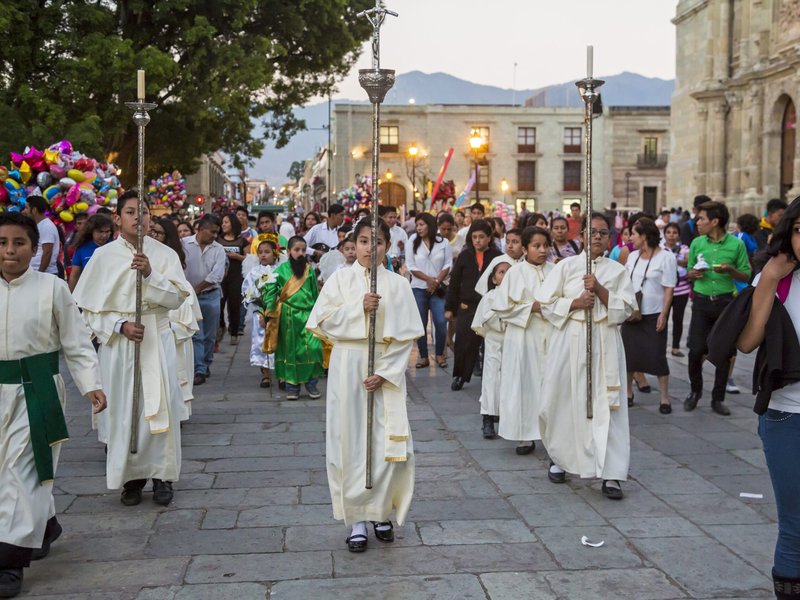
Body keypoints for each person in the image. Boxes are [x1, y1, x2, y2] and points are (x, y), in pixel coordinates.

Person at [0, 212, 106, 599]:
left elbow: (76, 341)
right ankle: (45, 524)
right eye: (1, 243)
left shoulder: (52, 288)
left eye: (19, 243)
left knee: (21, 471)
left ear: (35, 247)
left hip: (38, 390)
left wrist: (91, 384)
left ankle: (9, 560)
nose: (10, 251)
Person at [306, 216, 424, 553]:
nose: (370, 247)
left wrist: (385, 372)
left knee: (387, 443)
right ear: (353, 244)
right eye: (363, 240)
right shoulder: (339, 280)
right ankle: (356, 518)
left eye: (378, 241)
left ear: (387, 246)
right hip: (348, 365)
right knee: (351, 440)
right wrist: (359, 308)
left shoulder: (398, 285)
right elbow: (323, 323)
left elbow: (405, 338)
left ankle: (382, 511)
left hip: (386, 368)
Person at [73, 191, 191, 507]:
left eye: (144, 211)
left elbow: (178, 298)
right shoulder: (103, 257)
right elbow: (89, 310)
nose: (138, 217)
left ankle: (163, 476)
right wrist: (119, 326)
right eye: (130, 211)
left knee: (160, 405)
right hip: (120, 347)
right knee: (126, 408)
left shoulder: (165, 254)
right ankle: (131, 479)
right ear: (118, 218)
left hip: (157, 337)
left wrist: (151, 274)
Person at [536, 213, 637, 499]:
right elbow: (545, 303)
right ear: (581, 236)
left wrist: (601, 290)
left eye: (603, 233)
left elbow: (627, 310)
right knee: (564, 400)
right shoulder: (565, 267)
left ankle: (612, 473)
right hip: (570, 339)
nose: (597, 237)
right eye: (592, 232)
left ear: (610, 238)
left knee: (608, 407)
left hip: (604, 343)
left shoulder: (617, 271)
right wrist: (576, 302)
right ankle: (561, 459)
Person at [735, 197, 800, 599]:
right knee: (794, 522)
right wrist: (770, 280)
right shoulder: (779, 278)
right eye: (798, 230)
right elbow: (745, 343)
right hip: (786, 417)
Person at [685, 201, 751, 415]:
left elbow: (746, 274)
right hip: (702, 302)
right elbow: (688, 271)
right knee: (695, 350)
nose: (697, 222)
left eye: (702, 218)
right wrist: (693, 273)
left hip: (725, 303)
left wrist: (731, 270)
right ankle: (695, 391)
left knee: (724, 352)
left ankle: (717, 398)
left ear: (715, 222)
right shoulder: (697, 243)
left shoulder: (736, 245)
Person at [492, 226, 554, 452]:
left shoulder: (556, 270)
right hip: (523, 336)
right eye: (536, 246)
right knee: (524, 383)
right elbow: (502, 307)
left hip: (550, 335)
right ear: (526, 248)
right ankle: (524, 434)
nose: (542, 250)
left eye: (545, 245)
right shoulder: (515, 273)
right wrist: (532, 308)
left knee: (549, 383)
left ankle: (551, 433)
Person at [620, 218, 677, 413]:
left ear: (644, 236)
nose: (631, 238)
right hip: (632, 314)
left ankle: (664, 397)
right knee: (629, 355)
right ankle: (628, 393)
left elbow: (669, 288)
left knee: (657, 355)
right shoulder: (632, 256)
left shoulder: (666, 257)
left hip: (654, 314)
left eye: (634, 234)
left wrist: (664, 313)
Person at [262, 236, 324, 400]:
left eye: (303, 250)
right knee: (290, 351)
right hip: (287, 317)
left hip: (308, 315)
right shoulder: (279, 271)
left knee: (313, 349)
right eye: (296, 250)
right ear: (288, 251)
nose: (300, 253)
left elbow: (315, 292)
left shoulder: (309, 270)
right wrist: (267, 312)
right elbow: (270, 293)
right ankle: (292, 387)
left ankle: (311, 383)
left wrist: (319, 312)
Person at [445, 219, 502, 391]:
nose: (477, 240)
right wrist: (449, 307)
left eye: (481, 237)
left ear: (489, 238)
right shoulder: (465, 255)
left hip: (490, 307)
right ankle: (460, 376)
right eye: (474, 237)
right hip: (467, 306)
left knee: (491, 344)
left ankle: (492, 378)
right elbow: (454, 282)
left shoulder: (497, 256)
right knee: (464, 343)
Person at [153, 218, 200, 420]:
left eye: (158, 233)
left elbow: (188, 321)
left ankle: (178, 411)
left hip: (172, 332)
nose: (152, 237)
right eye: (150, 232)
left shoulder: (171, 262)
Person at [471, 259, 513, 439]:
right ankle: (487, 419)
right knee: (491, 381)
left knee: (511, 381)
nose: (505, 275)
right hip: (495, 343)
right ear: (494, 279)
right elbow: (485, 319)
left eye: (509, 272)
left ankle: (508, 419)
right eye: (501, 272)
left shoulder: (518, 296)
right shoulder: (489, 297)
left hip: (513, 344)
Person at [182, 214, 226, 386]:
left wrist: (197, 288)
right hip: (189, 297)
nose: (215, 236)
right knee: (196, 334)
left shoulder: (218, 249)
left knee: (209, 335)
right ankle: (199, 368)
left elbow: (217, 275)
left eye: (217, 232)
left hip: (211, 295)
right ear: (200, 229)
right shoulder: (184, 244)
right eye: (212, 232)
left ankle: (206, 362)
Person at [406, 213, 452, 369]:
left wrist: (436, 281)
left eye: (421, 224)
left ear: (430, 225)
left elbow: (448, 265)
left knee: (440, 321)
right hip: (419, 288)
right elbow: (411, 266)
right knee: (420, 323)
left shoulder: (443, 242)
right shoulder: (412, 241)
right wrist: (428, 280)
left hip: (438, 289)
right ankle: (423, 356)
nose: (418, 228)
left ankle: (439, 354)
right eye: (417, 225)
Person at [242, 239, 277, 388]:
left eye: (267, 252)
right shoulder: (254, 272)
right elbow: (247, 290)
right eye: (260, 252)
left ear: (275, 254)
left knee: (278, 342)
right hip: (260, 313)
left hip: (276, 313)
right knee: (261, 342)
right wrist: (259, 302)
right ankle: (265, 374)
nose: (263, 255)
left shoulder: (280, 270)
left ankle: (281, 375)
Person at [218, 213, 248, 345]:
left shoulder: (242, 241)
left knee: (234, 306)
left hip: (236, 277)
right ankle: (221, 326)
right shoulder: (218, 240)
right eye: (223, 222)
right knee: (219, 304)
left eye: (226, 222)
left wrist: (237, 256)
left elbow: (249, 259)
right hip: (220, 278)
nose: (223, 225)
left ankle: (234, 332)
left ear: (233, 224)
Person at [662, 222, 691, 357]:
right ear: (664, 234)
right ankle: (661, 346)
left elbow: (688, 262)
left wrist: (672, 259)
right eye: (669, 232)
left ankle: (675, 347)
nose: (671, 235)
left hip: (682, 289)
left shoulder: (684, 248)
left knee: (678, 319)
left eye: (674, 232)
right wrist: (674, 258)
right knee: (663, 317)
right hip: (665, 289)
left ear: (678, 235)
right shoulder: (660, 249)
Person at [68, 214, 113, 292]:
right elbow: (74, 276)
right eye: (100, 232)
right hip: (88, 294)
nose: (104, 235)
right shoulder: (82, 249)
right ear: (91, 231)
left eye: (107, 231)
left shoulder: (115, 247)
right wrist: (70, 298)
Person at [474, 228, 525, 296]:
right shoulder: (498, 260)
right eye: (507, 242)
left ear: (524, 245)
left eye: (515, 242)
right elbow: (484, 288)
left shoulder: (528, 261)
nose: (510, 246)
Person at [21, 196, 60, 276]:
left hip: (46, 274)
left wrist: (40, 274)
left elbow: (47, 252)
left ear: (34, 210)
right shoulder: (39, 225)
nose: (24, 211)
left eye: (26, 208)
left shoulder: (47, 226)